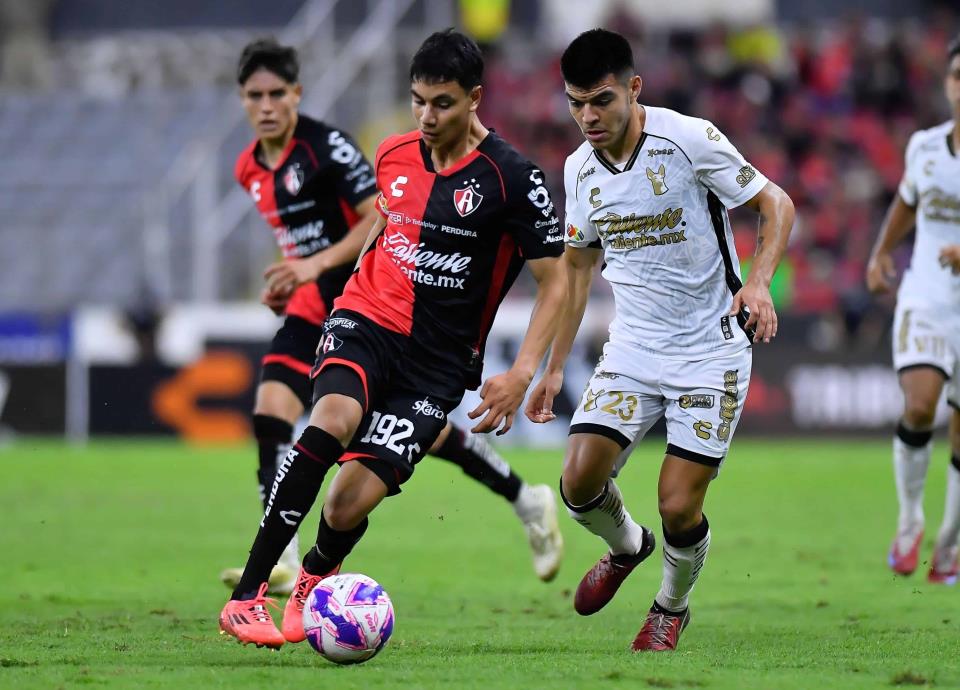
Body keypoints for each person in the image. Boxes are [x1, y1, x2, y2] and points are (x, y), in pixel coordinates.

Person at [218, 29, 568, 649]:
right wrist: (326, 281)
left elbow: (556, 281)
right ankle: (247, 597)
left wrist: (524, 372)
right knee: (331, 418)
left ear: (475, 98)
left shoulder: (513, 178)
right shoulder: (393, 153)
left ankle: (311, 582)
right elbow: (382, 222)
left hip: (437, 364)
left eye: (442, 104)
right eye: (418, 102)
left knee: (346, 504)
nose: (427, 117)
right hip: (367, 317)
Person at [525, 28, 794, 651]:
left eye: (601, 100)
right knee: (578, 483)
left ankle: (671, 606)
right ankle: (627, 546)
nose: (588, 117)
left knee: (677, 504)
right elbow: (577, 271)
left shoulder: (688, 139)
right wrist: (554, 368)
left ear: (633, 88)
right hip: (634, 348)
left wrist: (758, 283)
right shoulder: (578, 169)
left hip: (710, 349)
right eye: (576, 104)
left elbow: (777, 204)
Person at [866, 35, 960, 585]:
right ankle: (909, 521)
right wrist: (880, 252)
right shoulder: (925, 146)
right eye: (957, 75)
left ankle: (950, 542)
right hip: (926, 296)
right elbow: (907, 201)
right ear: (948, 83)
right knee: (921, 406)